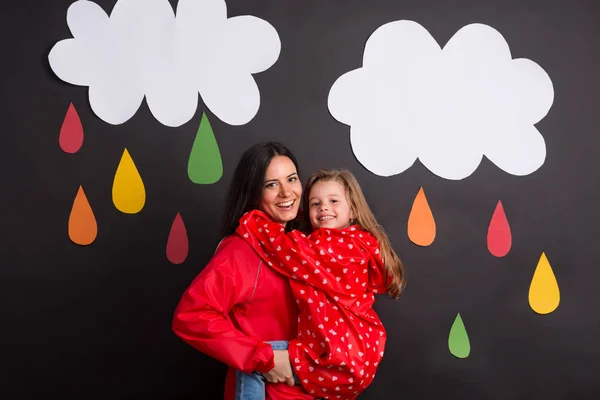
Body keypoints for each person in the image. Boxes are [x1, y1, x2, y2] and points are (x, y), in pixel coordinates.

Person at [235, 169, 406, 399]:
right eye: (315, 203)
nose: (323, 207)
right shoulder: (362, 244)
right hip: (356, 356)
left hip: (336, 356)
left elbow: (286, 250)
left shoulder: (339, 249)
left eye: (333, 201)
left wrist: (254, 221)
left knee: (254, 359)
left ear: (353, 210)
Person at [171, 142, 318, 400]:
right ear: (253, 194)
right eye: (271, 184)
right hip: (264, 392)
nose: (287, 193)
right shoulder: (241, 250)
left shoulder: (306, 243)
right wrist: (262, 358)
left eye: (291, 179)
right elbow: (191, 315)